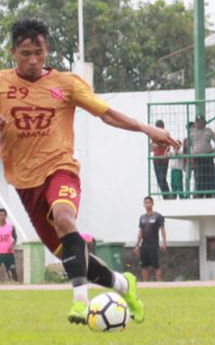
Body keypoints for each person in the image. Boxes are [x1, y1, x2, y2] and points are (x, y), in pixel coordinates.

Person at [0, 19, 177, 323]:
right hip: (24, 182)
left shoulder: (66, 83)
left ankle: (80, 300)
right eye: (26, 53)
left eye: (38, 53)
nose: (33, 60)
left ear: (47, 50)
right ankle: (123, 284)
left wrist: (146, 129)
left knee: (65, 217)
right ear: (13, 51)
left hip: (60, 168)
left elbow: (105, 114)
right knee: (67, 254)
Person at [134, 196, 167, 282]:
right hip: (144, 245)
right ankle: (146, 284)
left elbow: (162, 230)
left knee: (156, 266)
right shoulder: (142, 217)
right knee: (144, 266)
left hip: (154, 245)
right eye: (146, 203)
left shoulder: (158, 216)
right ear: (144, 205)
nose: (147, 204)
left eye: (149, 202)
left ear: (152, 204)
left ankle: (159, 284)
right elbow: (140, 231)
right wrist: (137, 245)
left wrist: (164, 243)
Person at [189, 115, 215, 198]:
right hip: (197, 158)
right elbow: (189, 145)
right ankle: (199, 194)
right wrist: (192, 154)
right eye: (198, 122)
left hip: (208, 157)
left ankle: (209, 194)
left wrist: (214, 152)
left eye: (201, 122)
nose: (200, 124)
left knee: (209, 177)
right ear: (195, 123)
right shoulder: (192, 132)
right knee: (199, 177)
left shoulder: (208, 131)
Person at [150, 119, 173, 199]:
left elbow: (168, 145)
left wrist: (158, 145)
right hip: (156, 159)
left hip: (163, 159)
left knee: (162, 178)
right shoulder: (153, 135)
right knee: (159, 180)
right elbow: (151, 148)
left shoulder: (166, 134)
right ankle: (166, 195)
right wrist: (156, 145)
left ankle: (167, 195)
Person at [0, 208, 18, 282]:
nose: (2, 216)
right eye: (0, 215)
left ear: (6, 216)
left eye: (3, 215)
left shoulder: (11, 227)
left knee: (12, 270)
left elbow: (15, 238)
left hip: (9, 253)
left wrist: (12, 245)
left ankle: (17, 284)